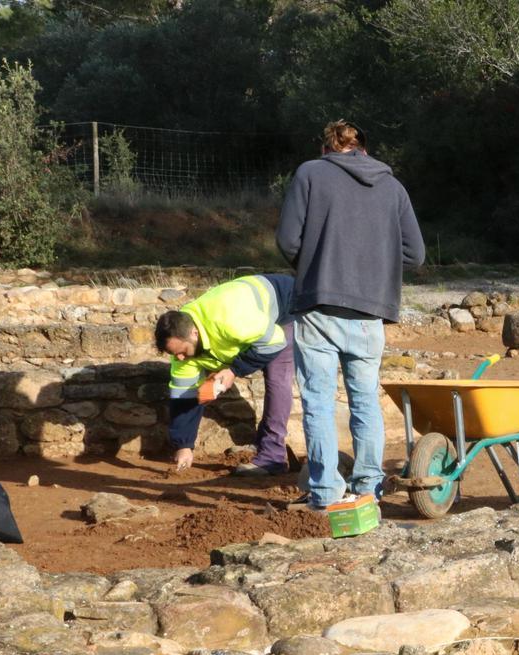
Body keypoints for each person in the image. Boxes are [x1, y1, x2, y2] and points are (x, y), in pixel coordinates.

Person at [276, 120, 425, 510]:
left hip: (319, 307)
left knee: (319, 403)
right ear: (364, 150)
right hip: (370, 312)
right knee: (365, 402)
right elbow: (416, 254)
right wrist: (376, 269)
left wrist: (315, 266)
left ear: (325, 149)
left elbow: (288, 240)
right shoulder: (392, 187)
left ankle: (325, 493)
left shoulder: (310, 173)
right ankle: (368, 491)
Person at [155, 274, 295, 477]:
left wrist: (234, 370)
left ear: (194, 333)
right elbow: (184, 397)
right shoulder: (181, 347)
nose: (180, 358)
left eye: (183, 351)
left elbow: (275, 341)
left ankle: (273, 456)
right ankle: (262, 444)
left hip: (284, 304)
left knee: (276, 377)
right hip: (249, 319)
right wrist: (184, 445)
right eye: (174, 354)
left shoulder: (230, 320)